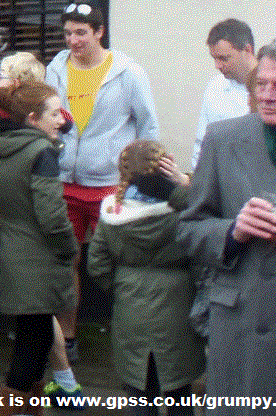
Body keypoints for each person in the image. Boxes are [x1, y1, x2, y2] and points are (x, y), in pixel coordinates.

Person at [178, 37, 276, 415]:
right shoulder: (224, 139)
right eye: (261, 84)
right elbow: (188, 231)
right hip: (245, 335)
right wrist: (232, 231)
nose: (267, 95)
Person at [45, 3, 159, 365]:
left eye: (81, 32)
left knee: (123, 262)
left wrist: (139, 179)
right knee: (67, 262)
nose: (73, 40)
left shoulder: (128, 73)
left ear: (99, 32)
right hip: (65, 180)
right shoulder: (56, 69)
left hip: (111, 184)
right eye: (67, 33)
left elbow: (148, 128)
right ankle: (70, 337)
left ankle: (134, 337)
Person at [87, 141, 202, 416]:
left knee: (139, 391)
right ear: (165, 168)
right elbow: (207, 227)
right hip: (178, 304)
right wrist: (182, 186)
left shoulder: (112, 213)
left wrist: (119, 286)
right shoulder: (184, 211)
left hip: (130, 304)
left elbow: (97, 263)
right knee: (179, 391)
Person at [0, 80, 77, 416]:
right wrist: (69, 248)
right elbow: (52, 217)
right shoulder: (41, 153)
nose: (60, 120)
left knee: (34, 344)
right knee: (32, 348)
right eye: (53, 114)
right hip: (37, 258)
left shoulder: (6, 147)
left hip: (13, 251)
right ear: (33, 118)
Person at [192, 19, 257, 169]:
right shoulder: (215, 87)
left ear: (247, 50)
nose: (217, 66)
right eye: (214, 58)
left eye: (224, 58)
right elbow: (202, 142)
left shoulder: (269, 87)